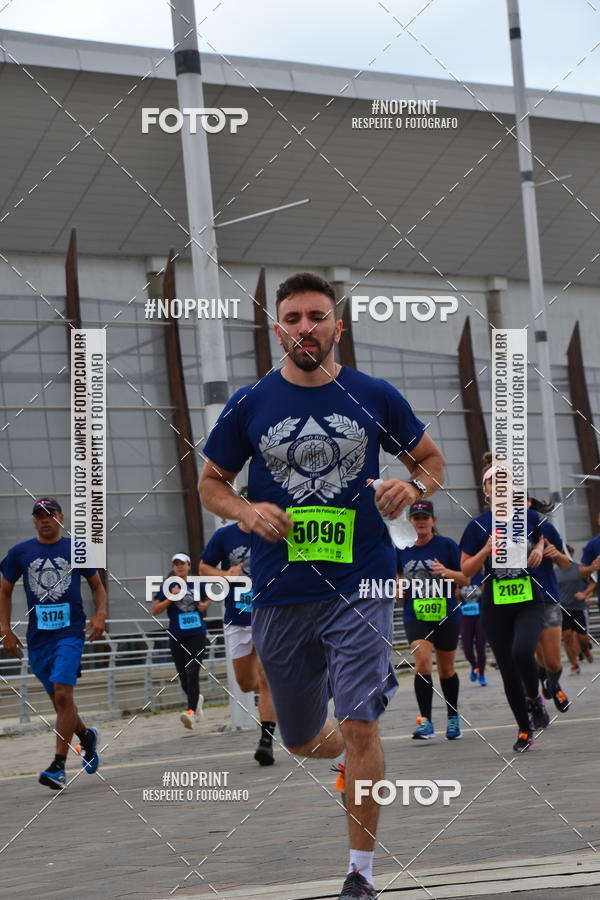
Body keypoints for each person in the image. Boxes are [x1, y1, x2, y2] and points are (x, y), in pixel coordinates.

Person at [198, 271, 445, 900]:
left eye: (316, 316)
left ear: (337, 325)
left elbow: (431, 460)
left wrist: (412, 487)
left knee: (361, 722)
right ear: (277, 328)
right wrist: (246, 512)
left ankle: (360, 875)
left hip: (361, 584)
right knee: (303, 737)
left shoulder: (374, 394)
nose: (305, 327)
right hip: (280, 592)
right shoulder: (250, 404)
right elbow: (211, 483)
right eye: (293, 318)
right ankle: (344, 758)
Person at [0, 497, 107, 789]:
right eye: (39, 515)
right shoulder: (20, 552)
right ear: (34, 520)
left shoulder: (77, 549)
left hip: (70, 633)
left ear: (61, 517)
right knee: (62, 703)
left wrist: (100, 615)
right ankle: (86, 736)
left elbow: (97, 586)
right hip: (38, 639)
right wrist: (5, 630)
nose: (45, 519)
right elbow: (5, 590)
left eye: (50, 514)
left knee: (63, 695)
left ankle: (58, 767)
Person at [460, 465, 549, 752]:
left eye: (504, 481)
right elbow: (464, 570)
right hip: (495, 605)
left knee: (522, 651)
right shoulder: (476, 526)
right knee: (508, 669)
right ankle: (525, 730)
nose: (498, 486)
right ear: (485, 491)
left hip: (528, 600)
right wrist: (485, 551)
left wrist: (537, 550)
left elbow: (541, 538)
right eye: (491, 482)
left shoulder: (529, 517)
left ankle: (534, 698)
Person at [200, 514, 278, 765]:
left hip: (269, 614)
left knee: (267, 678)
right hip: (237, 617)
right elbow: (203, 568)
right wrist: (225, 575)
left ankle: (266, 741)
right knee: (246, 683)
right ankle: (270, 700)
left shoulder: (273, 532)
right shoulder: (225, 535)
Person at [397, 499, 468, 741]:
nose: (421, 522)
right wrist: (397, 584)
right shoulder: (402, 548)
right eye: (416, 519)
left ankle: (452, 717)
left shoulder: (446, 546)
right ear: (410, 522)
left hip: (445, 612)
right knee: (422, 661)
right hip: (415, 613)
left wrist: (447, 572)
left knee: (447, 669)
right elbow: (396, 574)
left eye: (425, 518)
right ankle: (425, 721)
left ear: (433, 521)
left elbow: (465, 578)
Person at [151, 553, 210, 729]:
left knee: (193, 672)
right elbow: (155, 610)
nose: (179, 567)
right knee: (184, 677)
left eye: (182, 563)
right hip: (177, 635)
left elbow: (208, 598)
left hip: (197, 634)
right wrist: (171, 597)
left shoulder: (197, 583)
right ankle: (196, 700)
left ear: (189, 565)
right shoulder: (168, 586)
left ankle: (190, 712)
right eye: (176, 564)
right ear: (173, 567)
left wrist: (204, 605)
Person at [527, 496, 571, 714]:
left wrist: (556, 554)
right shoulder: (500, 530)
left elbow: (565, 564)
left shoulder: (546, 529)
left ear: (528, 502)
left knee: (553, 662)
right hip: (522, 602)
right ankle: (536, 699)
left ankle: (552, 682)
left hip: (548, 599)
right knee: (536, 653)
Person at [558, 544, 595, 673]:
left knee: (582, 638)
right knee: (567, 636)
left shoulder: (579, 568)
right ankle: (574, 664)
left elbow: (593, 582)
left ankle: (585, 649)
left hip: (579, 608)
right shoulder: (554, 571)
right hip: (563, 608)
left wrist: (584, 594)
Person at [459, 572, 487, 687]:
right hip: (465, 617)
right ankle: (475, 666)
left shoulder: (480, 576)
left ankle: (481, 674)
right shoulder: (458, 576)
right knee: (467, 649)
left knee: (481, 646)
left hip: (480, 615)